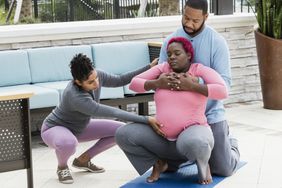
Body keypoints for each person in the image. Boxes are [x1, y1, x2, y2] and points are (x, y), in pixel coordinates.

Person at [116, 36, 228, 184]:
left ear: (188, 55)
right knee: (123, 134)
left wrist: (192, 86)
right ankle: (158, 163)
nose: (171, 57)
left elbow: (223, 91)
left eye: (177, 53)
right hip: (161, 138)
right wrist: (157, 83)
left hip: (189, 137)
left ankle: (203, 165)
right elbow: (133, 84)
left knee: (199, 142)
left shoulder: (198, 70)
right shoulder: (162, 69)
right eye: (169, 54)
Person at [40, 53, 160, 184]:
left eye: (96, 78)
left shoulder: (96, 74)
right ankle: (62, 167)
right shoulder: (75, 96)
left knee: (121, 131)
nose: (96, 83)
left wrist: (149, 67)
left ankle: (84, 159)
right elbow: (114, 112)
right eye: (90, 82)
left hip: (80, 126)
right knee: (68, 143)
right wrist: (146, 119)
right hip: (54, 129)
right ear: (78, 82)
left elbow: (120, 79)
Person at [157, 0, 240, 176]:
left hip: (210, 114)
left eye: (195, 20)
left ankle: (230, 143)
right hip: (179, 116)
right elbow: (160, 76)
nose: (189, 23)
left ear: (205, 17)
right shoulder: (169, 41)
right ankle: (194, 154)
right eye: (186, 17)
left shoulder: (217, 42)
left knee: (223, 169)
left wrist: (195, 86)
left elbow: (225, 84)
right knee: (169, 168)